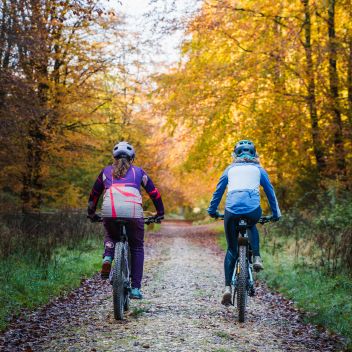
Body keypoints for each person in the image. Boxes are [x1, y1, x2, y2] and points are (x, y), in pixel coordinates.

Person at [87, 141, 164, 299]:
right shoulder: (139, 172)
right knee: (136, 247)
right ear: (132, 158)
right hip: (133, 213)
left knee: (111, 233)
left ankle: (108, 256)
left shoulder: (105, 172)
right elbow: (154, 193)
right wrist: (160, 212)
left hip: (110, 211)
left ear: (114, 157)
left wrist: (91, 213)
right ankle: (135, 288)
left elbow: (94, 195)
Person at [207, 140, 281, 306]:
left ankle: (227, 288)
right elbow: (270, 193)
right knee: (251, 224)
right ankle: (256, 257)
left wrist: (212, 211)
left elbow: (218, 192)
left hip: (231, 212)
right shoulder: (259, 170)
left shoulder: (229, 170)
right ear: (255, 154)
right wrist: (276, 214)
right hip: (253, 210)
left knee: (232, 249)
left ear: (235, 155)